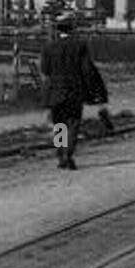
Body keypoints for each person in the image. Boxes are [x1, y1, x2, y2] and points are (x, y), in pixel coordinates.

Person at [41, 15, 110, 169]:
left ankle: (60, 156)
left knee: (59, 125)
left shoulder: (49, 47)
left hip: (55, 92)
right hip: (74, 91)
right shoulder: (80, 46)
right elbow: (87, 71)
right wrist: (96, 92)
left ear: (58, 30)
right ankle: (68, 154)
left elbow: (45, 71)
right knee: (73, 124)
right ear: (72, 29)